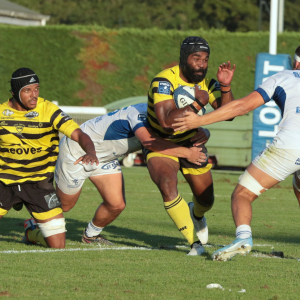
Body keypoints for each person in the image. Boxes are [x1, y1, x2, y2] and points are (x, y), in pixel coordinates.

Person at [172, 46, 300, 260]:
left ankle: (243, 237)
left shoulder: (284, 77)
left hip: (290, 146)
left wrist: (199, 120)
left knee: (242, 194)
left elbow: (242, 107)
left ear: (296, 63)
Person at [55, 103, 208, 245]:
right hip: (78, 151)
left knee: (116, 204)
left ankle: (90, 236)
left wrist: (204, 132)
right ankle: (35, 218)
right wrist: (188, 153)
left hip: (105, 158)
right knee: (65, 206)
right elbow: (150, 142)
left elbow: (182, 134)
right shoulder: (140, 114)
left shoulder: (166, 117)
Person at [145, 36, 236, 255]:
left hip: (191, 143)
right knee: (167, 184)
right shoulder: (164, 81)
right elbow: (166, 122)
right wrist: (198, 103)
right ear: (184, 58)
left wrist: (224, 86)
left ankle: (196, 214)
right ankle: (194, 244)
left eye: (205, 59)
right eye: (196, 59)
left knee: (206, 199)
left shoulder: (208, 82)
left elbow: (229, 114)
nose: (202, 65)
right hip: (162, 144)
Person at [0, 67, 98, 249]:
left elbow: (78, 134)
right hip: (5, 183)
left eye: (36, 89)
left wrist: (90, 151)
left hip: (39, 185)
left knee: (58, 246)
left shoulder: (48, 110)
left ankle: (31, 231)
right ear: (14, 92)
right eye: (27, 90)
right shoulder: (1, 114)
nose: (34, 95)